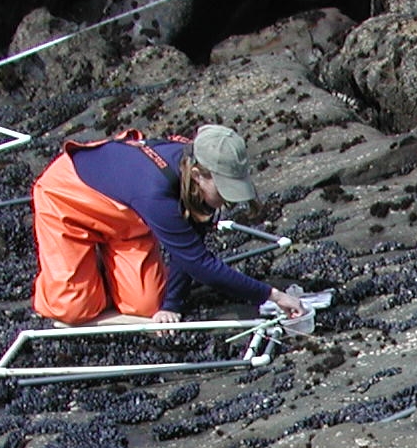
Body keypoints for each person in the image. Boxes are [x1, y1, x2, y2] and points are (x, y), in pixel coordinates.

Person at [28, 123, 306, 326]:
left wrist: (172, 304)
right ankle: (72, 275)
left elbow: (189, 248)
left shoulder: (189, 173)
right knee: (73, 310)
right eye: (222, 190)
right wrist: (272, 295)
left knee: (146, 305)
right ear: (198, 175)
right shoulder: (157, 192)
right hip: (68, 201)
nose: (225, 200)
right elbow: (199, 264)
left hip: (125, 220)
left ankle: (98, 269)